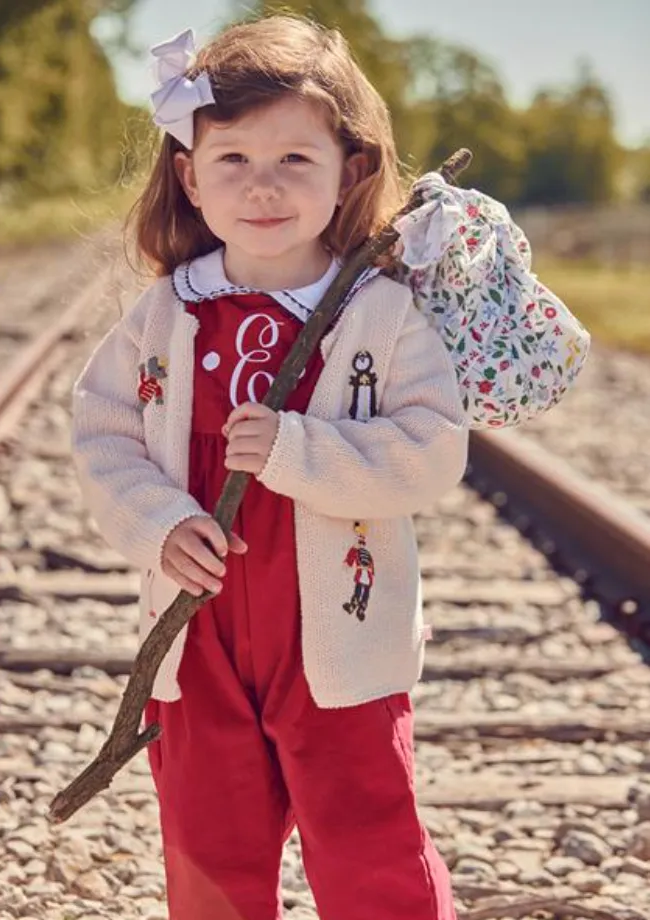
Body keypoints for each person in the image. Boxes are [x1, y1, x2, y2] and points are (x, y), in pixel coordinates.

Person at [71, 14, 587, 920]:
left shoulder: (380, 315)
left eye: (293, 162)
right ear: (189, 177)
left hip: (340, 639)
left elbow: (431, 452)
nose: (261, 187)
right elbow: (102, 432)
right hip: (200, 633)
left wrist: (299, 451)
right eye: (231, 161)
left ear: (349, 171)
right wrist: (155, 522)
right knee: (208, 841)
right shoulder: (166, 313)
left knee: (366, 835)